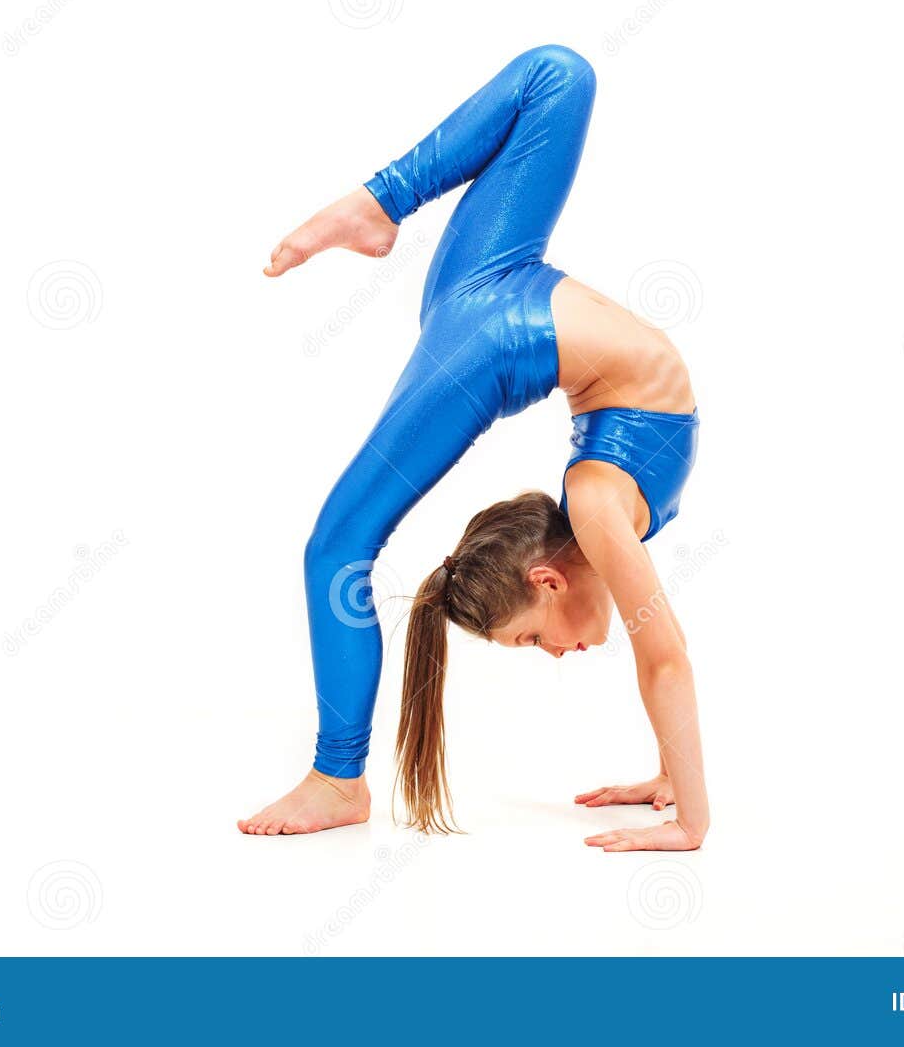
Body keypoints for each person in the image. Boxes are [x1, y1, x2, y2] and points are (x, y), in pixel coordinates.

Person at [240, 45, 707, 851]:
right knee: (561, 75)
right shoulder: (599, 510)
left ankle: (336, 776)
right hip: (493, 289)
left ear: (547, 577)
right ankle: (379, 202)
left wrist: (691, 816)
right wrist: (674, 767)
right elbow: (659, 657)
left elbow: (664, 659)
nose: (555, 653)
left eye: (531, 636)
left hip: (488, 324)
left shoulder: (597, 514)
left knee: (337, 547)